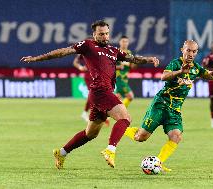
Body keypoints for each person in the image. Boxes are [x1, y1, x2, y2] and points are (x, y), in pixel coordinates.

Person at [20, 20, 159, 169]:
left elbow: (133, 59)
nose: (105, 37)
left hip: (102, 94)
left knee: (90, 134)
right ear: (94, 34)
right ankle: (110, 150)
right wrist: (37, 58)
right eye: (101, 34)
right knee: (125, 118)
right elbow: (63, 52)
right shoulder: (88, 45)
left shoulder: (113, 50)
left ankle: (61, 152)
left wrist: (149, 59)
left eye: (106, 33)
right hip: (100, 91)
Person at [124, 40, 213, 172]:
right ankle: (122, 128)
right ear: (182, 50)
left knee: (176, 136)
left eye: (194, 51)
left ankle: (158, 163)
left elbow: (211, 75)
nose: (191, 54)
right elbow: (164, 76)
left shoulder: (196, 68)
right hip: (161, 105)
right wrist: (179, 72)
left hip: (175, 110)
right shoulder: (175, 63)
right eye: (188, 50)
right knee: (140, 137)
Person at [73, 54, 110, 126]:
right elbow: (75, 62)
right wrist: (80, 67)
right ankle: (98, 115)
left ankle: (89, 113)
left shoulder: (100, 50)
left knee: (96, 95)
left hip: (98, 76)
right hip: (89, 76)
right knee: (93, 94)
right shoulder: (85, 49)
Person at [115, 36, 135, 107]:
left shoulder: (129, 53)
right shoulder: (116, 53)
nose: (125, 43)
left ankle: (107, 114)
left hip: (125, 78)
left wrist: (135, 63)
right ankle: (122, 112)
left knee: (117, 98)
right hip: (119, 78)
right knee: (130, 96)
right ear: (119, 42)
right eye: (123, 41)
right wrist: (119, 67)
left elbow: (132, 66)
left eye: (126, 41)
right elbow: (110, 66)